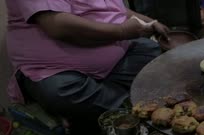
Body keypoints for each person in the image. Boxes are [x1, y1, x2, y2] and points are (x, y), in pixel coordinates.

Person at [5, 0, 170, 127]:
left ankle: (111, 102)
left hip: (114, 48)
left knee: (155, 53)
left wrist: (149, 22)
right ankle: (126, 107)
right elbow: (57, 25)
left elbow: (113, 9)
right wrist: (122, 31)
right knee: (61, 92)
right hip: (56, 69)